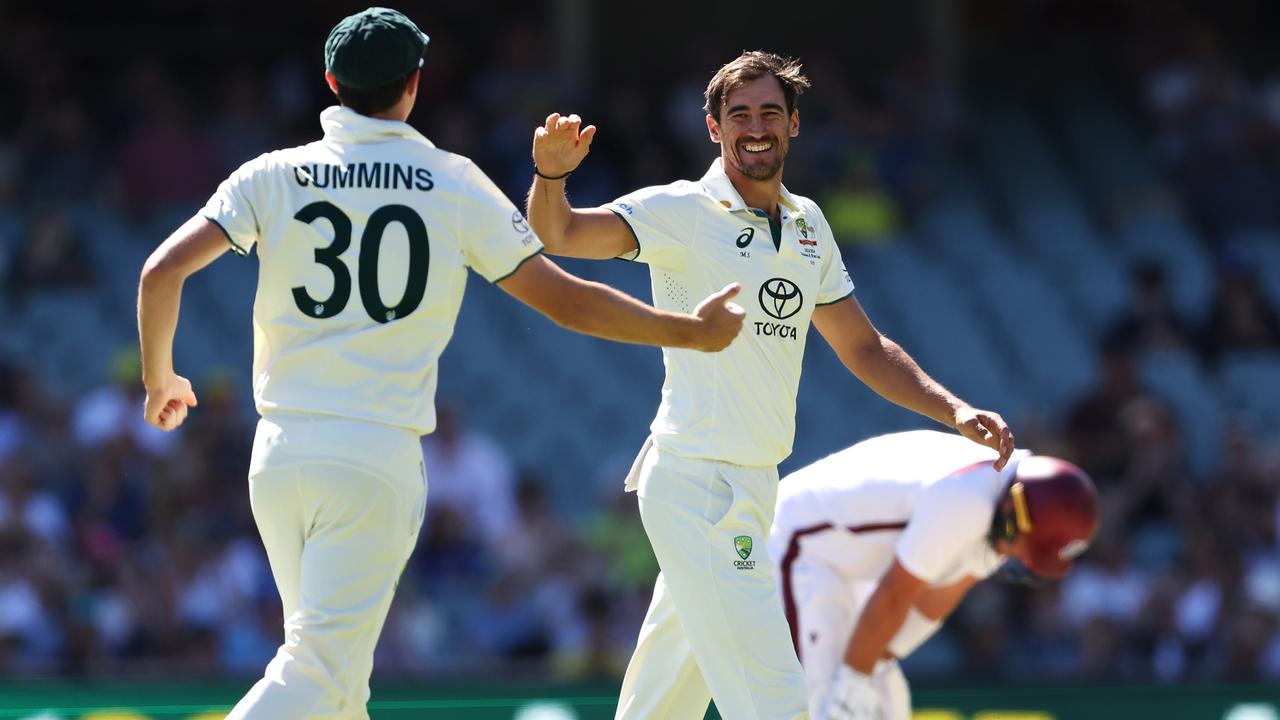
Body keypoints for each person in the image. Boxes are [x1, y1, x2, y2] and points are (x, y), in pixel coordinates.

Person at [135, 8, 744, 719]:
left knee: (338, 687)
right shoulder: (451, 181)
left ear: (331, 83)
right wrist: (688, 330)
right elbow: (567, 302)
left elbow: (159, 273)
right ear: (416, 84)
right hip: (372, 453)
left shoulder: (273, 174)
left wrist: (159, 380)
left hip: (279, 455)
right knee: (319, 667)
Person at [526, 50, 1016, 719]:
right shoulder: (682, 211)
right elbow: (557, 234)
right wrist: (550, 176)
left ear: (792, 126)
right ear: (712, 127)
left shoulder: (809, 224)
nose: (755, 127)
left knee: (662, 703)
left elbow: (864, 347)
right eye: (739, 115)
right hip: (699, 484)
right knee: (774, 701)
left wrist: (953, 409)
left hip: (753, 487)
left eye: (769, 113)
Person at [768, 430, 1099, 720]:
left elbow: (936, 601)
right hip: (802, 545)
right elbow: (895, 594)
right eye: (1030, 548)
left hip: (847, 561)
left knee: (879, 701)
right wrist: (854, 680)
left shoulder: (1001, 503)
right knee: (816, 704)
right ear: (1016, 510)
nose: (1024, 559)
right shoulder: (969, 500)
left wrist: (879, 660)